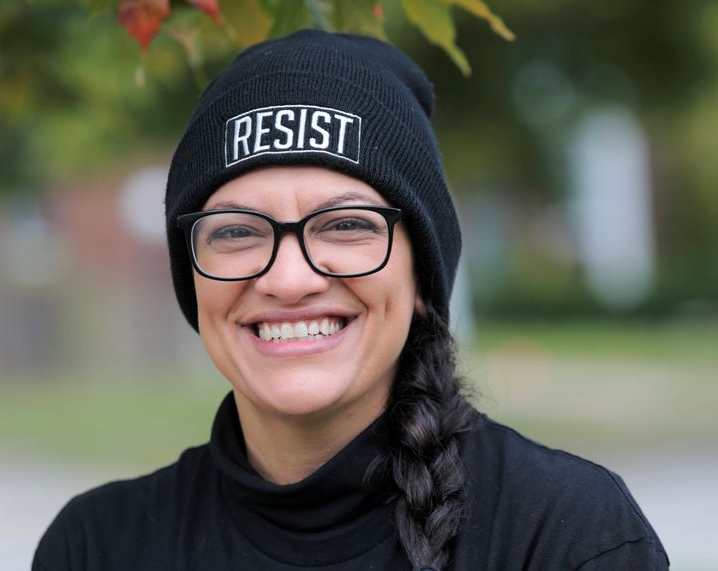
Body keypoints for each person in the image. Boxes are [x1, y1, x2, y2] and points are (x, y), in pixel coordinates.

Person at [33, 29, 668, 570]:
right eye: (236, 231)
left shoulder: (568, 538)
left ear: (421, 278)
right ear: (192, 279)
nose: (287, 279)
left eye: (345, 226)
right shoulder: (96, 547)